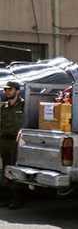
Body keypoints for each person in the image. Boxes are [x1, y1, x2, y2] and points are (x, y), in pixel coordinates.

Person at [0, 81, 24, 209]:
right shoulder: (4, 107)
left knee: (16, 169)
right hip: (4, 142)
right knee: (7, 169)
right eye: (5, 90)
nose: (7, 92)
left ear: (17, 91)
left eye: (10, 89)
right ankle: (9, 197)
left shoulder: (24, 105)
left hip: (16, 142)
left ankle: (18, 198)